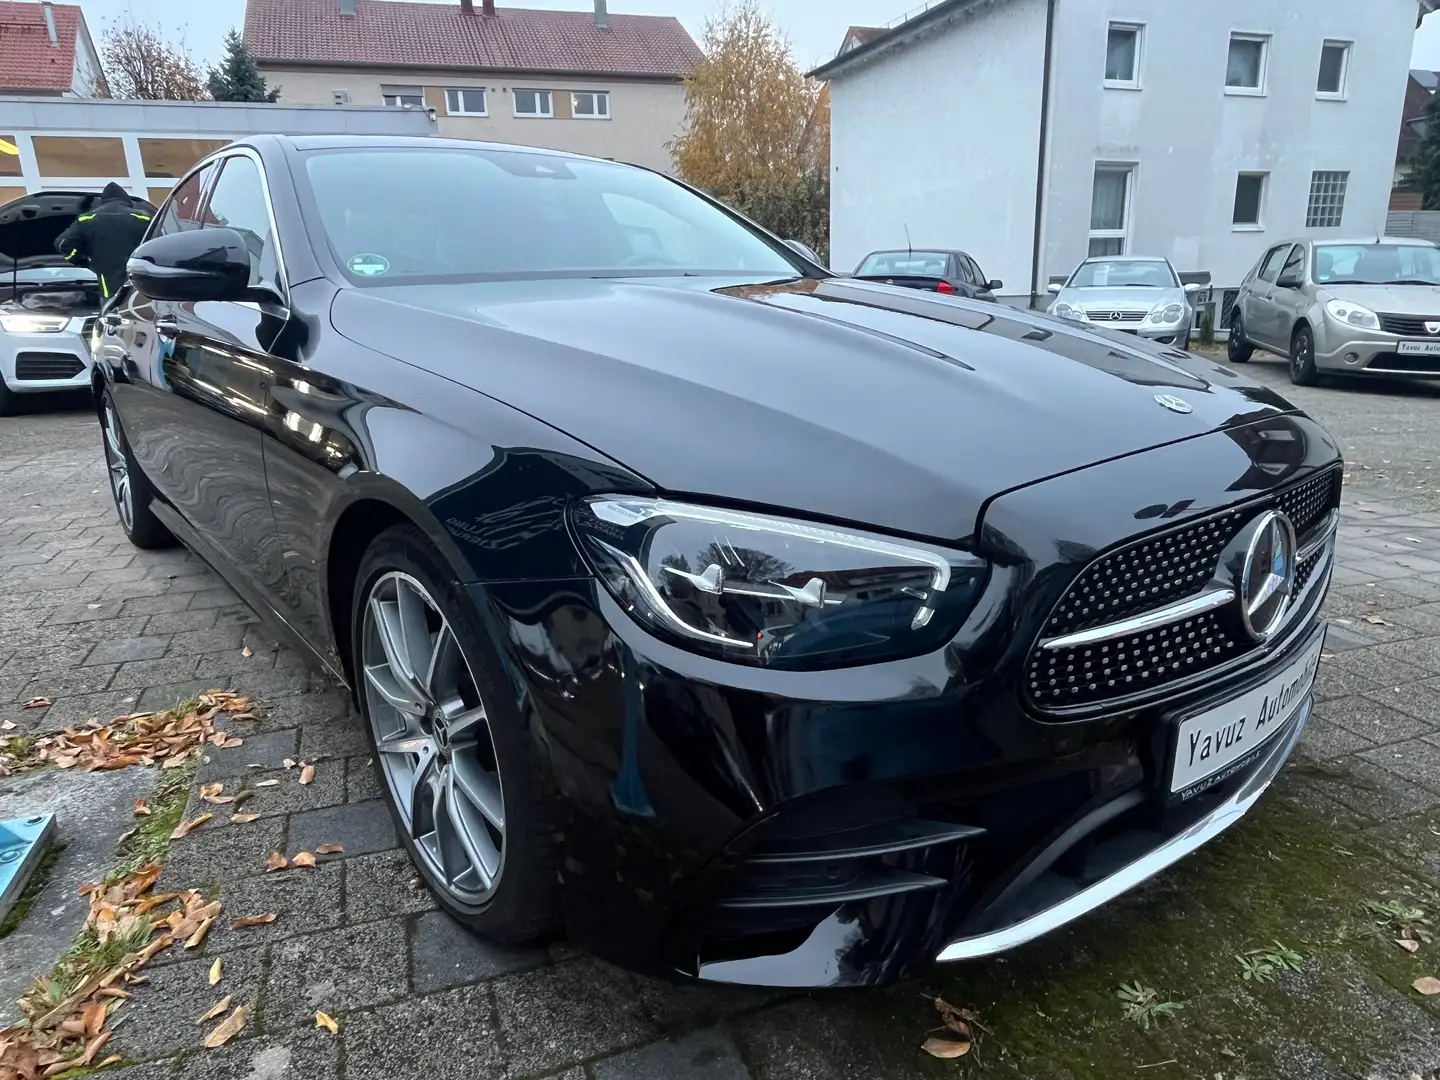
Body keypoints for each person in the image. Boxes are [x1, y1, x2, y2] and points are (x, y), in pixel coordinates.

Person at [53, 183, 152, 305]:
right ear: (126, 200)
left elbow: (63, 244)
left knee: (111, 315)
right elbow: (160, 243)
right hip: (142, 284)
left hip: (109, 284)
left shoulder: (87, 219)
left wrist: (81, 260)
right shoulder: (144, 218)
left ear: (103, 201)